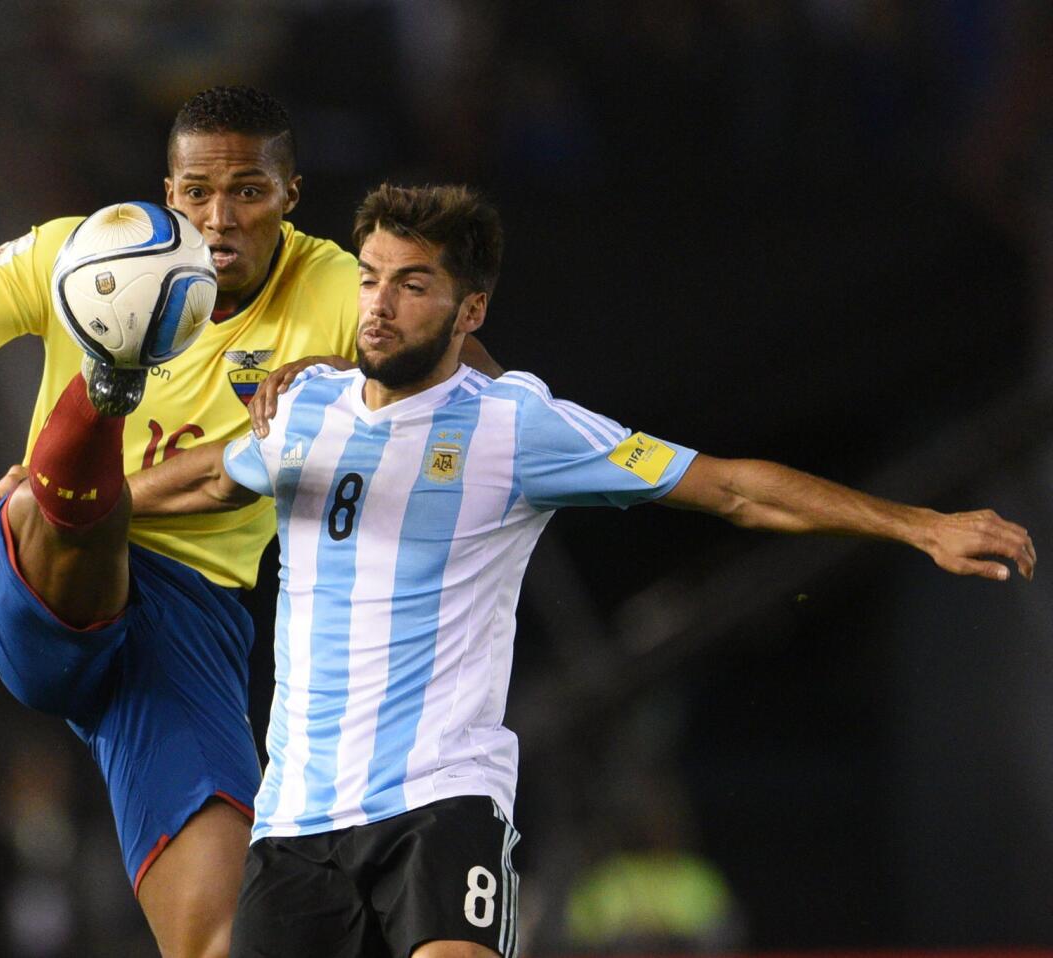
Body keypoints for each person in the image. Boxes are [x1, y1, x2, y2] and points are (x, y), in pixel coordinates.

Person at [92, 182, 1034, 957]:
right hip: (295, 821)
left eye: (412, 286)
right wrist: (57, 498)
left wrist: (918, 526)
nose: (377, 305)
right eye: (371, 279)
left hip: (439, 803)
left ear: (472, 310)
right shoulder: (303, 411)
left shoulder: (519, 427)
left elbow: (734, 490)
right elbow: (211, 474)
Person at [0, 86, 498, 958]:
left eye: (249, 192)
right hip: (44, 573)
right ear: (169, 189)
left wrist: (342, 374)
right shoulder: (90, 255)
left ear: (290, 196)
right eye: (196, 193)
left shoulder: (340, 288)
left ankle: (87, 448)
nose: (219, 218)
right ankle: (94, 423)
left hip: (188, 625)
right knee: (53, 514)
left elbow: (476, 390)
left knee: (225, 938)